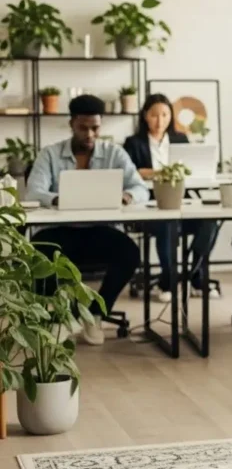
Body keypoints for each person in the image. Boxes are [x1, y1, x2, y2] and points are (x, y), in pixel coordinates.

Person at [25, 94, 149, 346]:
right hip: (60, 231)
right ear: (72, 124)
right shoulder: (50, 154)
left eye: (95, 128)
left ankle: (94, 313)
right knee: (37, 254)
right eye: (83, 128)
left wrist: (127, 195)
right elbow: (34, 192)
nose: (90, 134)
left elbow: (141, 188)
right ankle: (59, 316)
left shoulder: (115, 153)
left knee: (129, 253)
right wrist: (60, 199)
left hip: (101, 230)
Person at [123, 93, 220, 301]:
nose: (160, 121)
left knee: (210, 222)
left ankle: (195, 275)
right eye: (154, 115)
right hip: (148, 205)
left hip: (180, 199)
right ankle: (168, 282)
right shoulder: (133, 142)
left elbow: (188, 170)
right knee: (167, 224)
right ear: (145, 116)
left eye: (165, 115)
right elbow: (130, 172)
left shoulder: (180, 139)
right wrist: (161, 172)